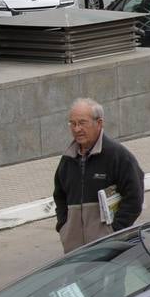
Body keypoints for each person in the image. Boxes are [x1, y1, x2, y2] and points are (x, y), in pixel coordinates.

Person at [54, 98, 144, 253]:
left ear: (99, 123)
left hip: (109, 249)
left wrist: (114, 232)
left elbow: (134, 198)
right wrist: (64, 227)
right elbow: (59, 195)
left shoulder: (118, 156)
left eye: (82, 123)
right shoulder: (68, 159)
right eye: (73, 124)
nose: (77, 129)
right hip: (75, 252)